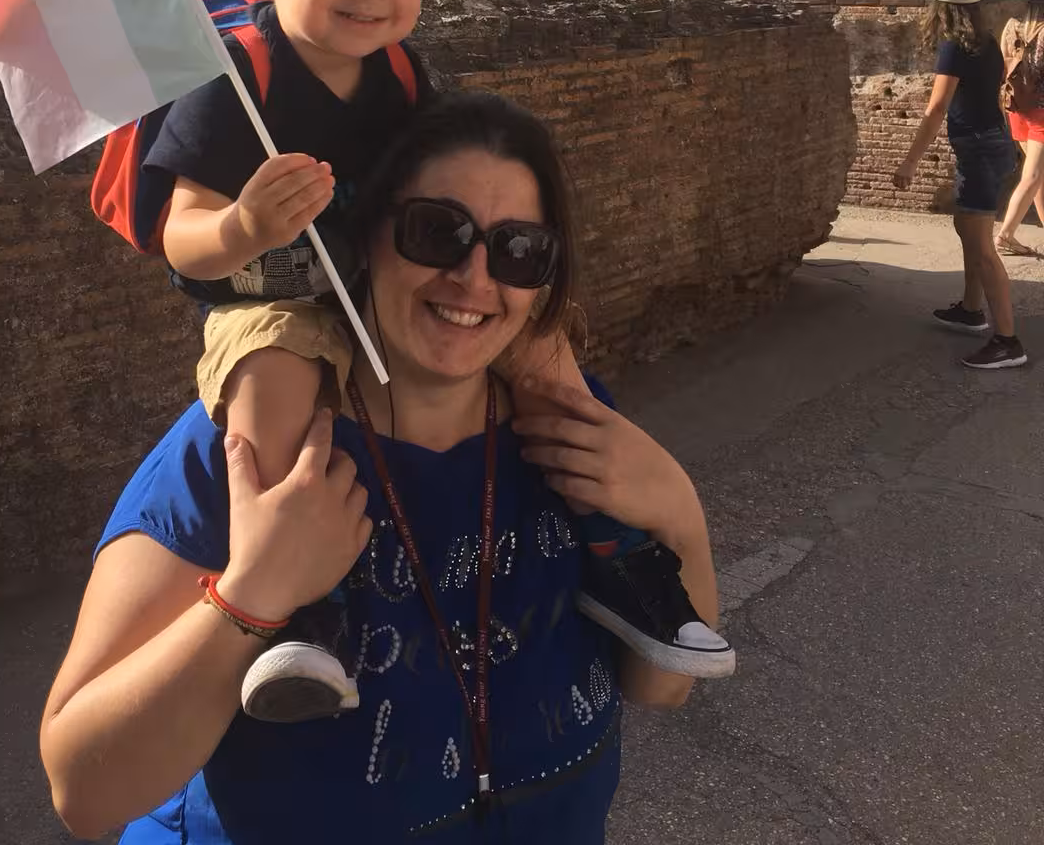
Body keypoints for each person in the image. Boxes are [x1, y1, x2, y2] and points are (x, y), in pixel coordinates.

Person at [142, 0, 732, 720]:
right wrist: (242, 224)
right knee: (273, 384)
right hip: (276, 299)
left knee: (543, 352)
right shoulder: (235, 82)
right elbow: (179, 239)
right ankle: (303, 609)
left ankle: (624, 558)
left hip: (382, 287)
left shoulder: (405, 80)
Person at [41, 92, 725, 843]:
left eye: (518, 249)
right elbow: (86, 792)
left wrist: (677, 509)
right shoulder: (254, 451)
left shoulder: (569, 429)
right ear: (366, 239)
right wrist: (252, 596)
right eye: (436, 232)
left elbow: (662, 684)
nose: (474, 278)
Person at [894, 0, 1027, 369]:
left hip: (981, 150)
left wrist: (910, 162)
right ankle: (971, 310)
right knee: (967, 227)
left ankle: (1008, 342)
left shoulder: (953, 47)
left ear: (942, 8)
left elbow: (937, 108)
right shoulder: (985, 42)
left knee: (983, 248)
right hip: (992, 145)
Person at [994, 0, 1044, 258]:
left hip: (1017, 108)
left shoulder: (1011, 26)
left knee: (1037, 175)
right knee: (1033, 176)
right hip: (1041, 111)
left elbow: (1004, 67)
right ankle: (1006, 235)